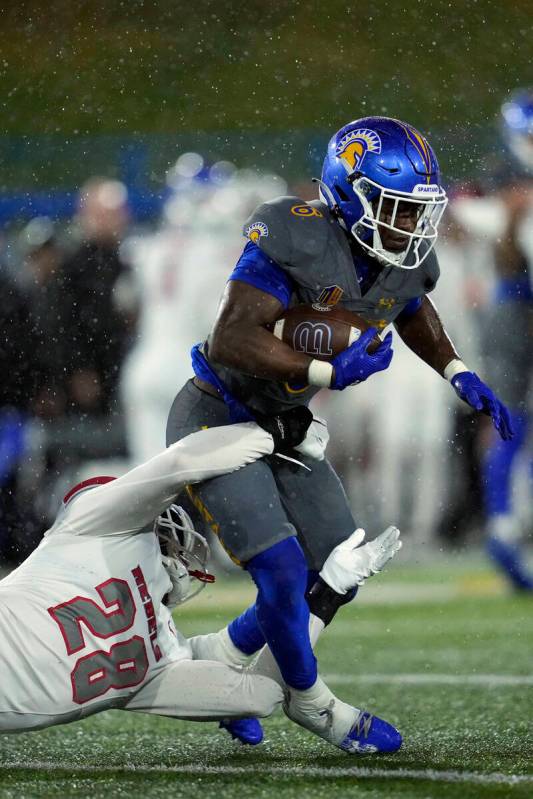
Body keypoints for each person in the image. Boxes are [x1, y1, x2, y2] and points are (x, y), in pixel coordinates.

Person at [166, 116, 514, 743]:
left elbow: (410, 304)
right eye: (396, 208)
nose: (410, 226)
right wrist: (327, 367)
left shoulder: (393, 254)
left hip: (288, 426)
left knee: (337, 565)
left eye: (416, 211)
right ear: (350, 193)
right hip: (221, 414)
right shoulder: (294, 235)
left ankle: (223, 662)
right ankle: (312, 702)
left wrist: (458, 371)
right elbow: (231, 337)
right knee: (278, 569)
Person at [0, 408, 402, 755]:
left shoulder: (157, 648)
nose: (171, 536)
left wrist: (323, 592)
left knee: (261, 699)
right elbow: (182, 461)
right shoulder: (90, 524)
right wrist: (274, 432)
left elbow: (254, 688)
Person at [450, 90, 533, 587]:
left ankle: (506, 521)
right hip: (513, 310)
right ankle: (503, 521)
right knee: (510, 420)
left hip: (510, 310)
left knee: (512, 423)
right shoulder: (501, 181)